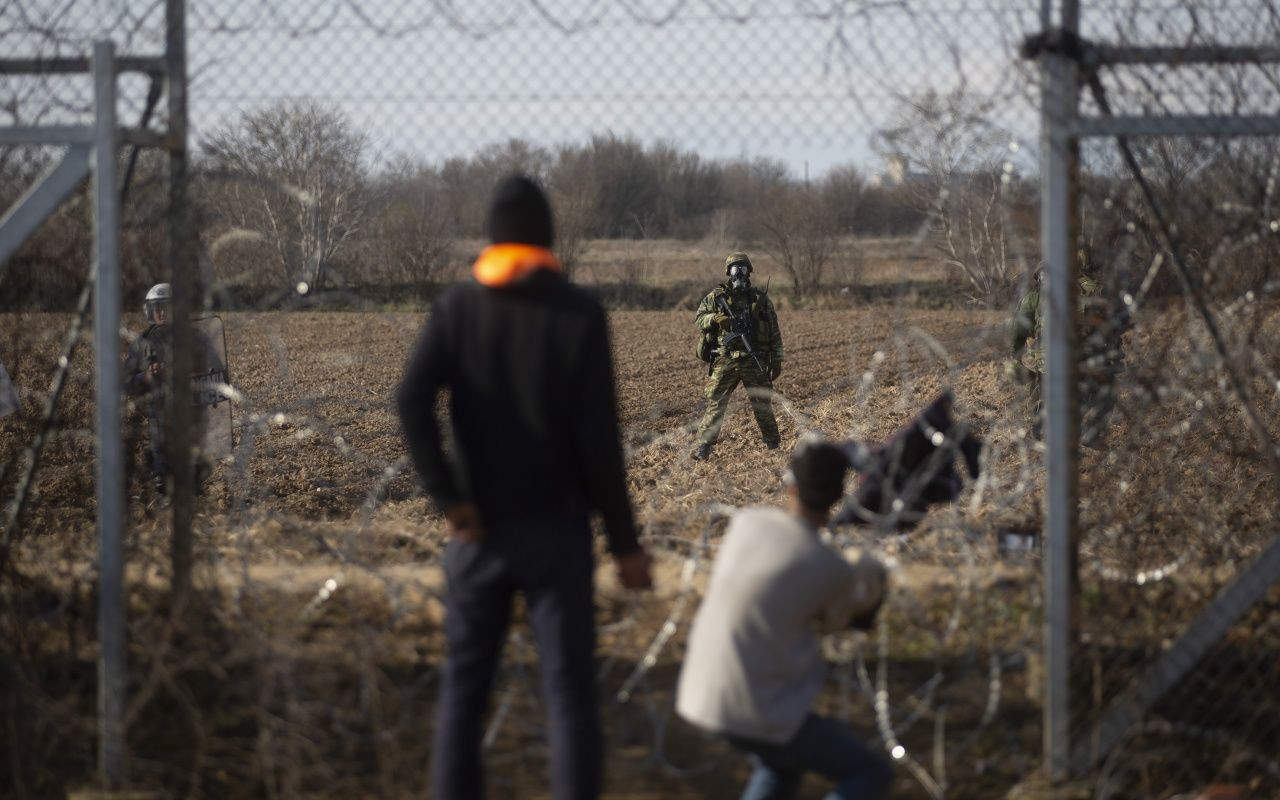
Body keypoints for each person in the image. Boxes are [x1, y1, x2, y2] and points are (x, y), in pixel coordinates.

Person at [396, 174, 654, 800]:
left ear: (492, 236)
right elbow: (599, 440)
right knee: (568, 698)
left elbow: (410, 399)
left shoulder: (458, 308)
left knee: (463, 694)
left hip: (478, 534)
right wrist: (624, 543)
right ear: (547, 237)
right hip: (557, 534)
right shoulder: (579, 314)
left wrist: (450, 499)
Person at [676, 437, 893, 800]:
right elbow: (839, 622)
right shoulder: (832, 569)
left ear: (789, 484)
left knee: (781, 767)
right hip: (759, 708)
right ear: (839, 495)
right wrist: (871, 575)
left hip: (700, 690)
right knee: (869, 772)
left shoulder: (748, 523)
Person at [1008, 254, 1127, 445]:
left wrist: (1015, 354)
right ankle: (1089, 433)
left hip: (1049, 362)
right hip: (1085, 360)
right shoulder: (1090, 296)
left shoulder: (1034, 299)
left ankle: (1045, 429)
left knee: (1043, 391)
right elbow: (1110, 328)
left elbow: (1018, 330)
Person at [123, 283, 225, 498]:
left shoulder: (197, 339)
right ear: (149, 311)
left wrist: (197, 374)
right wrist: (147, 376)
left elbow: (220, 374)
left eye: (166, 307)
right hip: (160, 420)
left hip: (193, 417)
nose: (161, 312)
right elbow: (125, 383)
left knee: (193, 481)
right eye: (156, 307)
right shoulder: (142, 344)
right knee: (163, 481)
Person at [692, 252, 784, 460]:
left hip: (754, 358)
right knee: (716, 403)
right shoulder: (716, 298)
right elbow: (699, 318)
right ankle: (703, 448)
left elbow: (774, 332)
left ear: (749, 272)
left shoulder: (760, 300)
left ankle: (773, 446)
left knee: (761, 402)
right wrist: (715, 318)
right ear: (728, 273)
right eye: (735, 269)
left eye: (742, 269)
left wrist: (777, 359)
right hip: (726, 358)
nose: (739, 273)